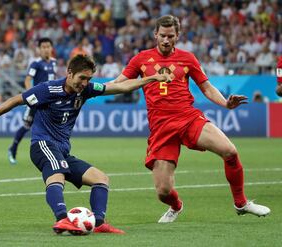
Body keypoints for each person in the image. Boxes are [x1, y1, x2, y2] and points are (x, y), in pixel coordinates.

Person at [0, 55, 171, 234]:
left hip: (62, 150)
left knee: (101, 179)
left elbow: (121, 87)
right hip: (42, 145)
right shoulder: (48, 89)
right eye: (81, 78)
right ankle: (62, 219)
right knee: (57, 173)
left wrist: (152, 78)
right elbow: (16, 100)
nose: (85, 83)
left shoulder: (86, 90)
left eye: (88, 79)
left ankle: (99, 223)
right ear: (69, 73)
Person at [109, 15, 271, 223]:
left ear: (178, 36)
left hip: (187, 117)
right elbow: (118, 83)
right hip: (161, 128)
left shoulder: (188, 58)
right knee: (163, 192)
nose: (166, 40)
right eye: (162, 36)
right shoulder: (141, 59)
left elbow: (206, 87)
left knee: (230, 151)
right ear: (155, 35)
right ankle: (176, 206)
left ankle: (241, 203)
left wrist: (225, 103)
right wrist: (91, 90)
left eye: (171, 36)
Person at [8, 38, 57, 164]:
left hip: (49, 102)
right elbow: (28, 80)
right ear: (39, 49)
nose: (46, 49)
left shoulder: (53, 62)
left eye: (48, 46)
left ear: (51, 48)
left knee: (51, 127)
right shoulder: (36, 64)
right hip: (36, 101)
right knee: (26, 126)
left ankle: (54, 154)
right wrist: (32, 97)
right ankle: (13, 149)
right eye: (43, 47)